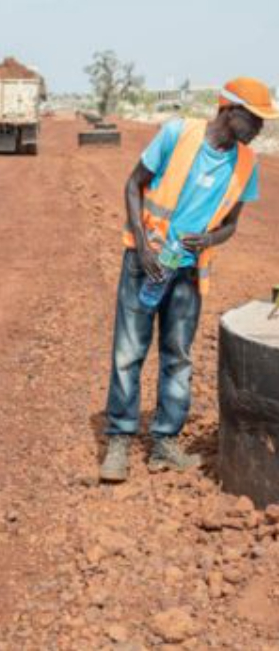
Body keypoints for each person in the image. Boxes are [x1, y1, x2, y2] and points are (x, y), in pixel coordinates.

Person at [100, 77, 279, 482]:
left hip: (187, 272)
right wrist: (142, 247)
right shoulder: (177, 134)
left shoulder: (247, 163)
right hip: (145, 262)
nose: (259, 128)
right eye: (255, 118)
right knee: (128, 352)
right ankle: (119, 439)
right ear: (229, 110)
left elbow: (231, 224)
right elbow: (133, 184)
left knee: (177, 356)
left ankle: (164, 443)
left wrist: (211, 239)